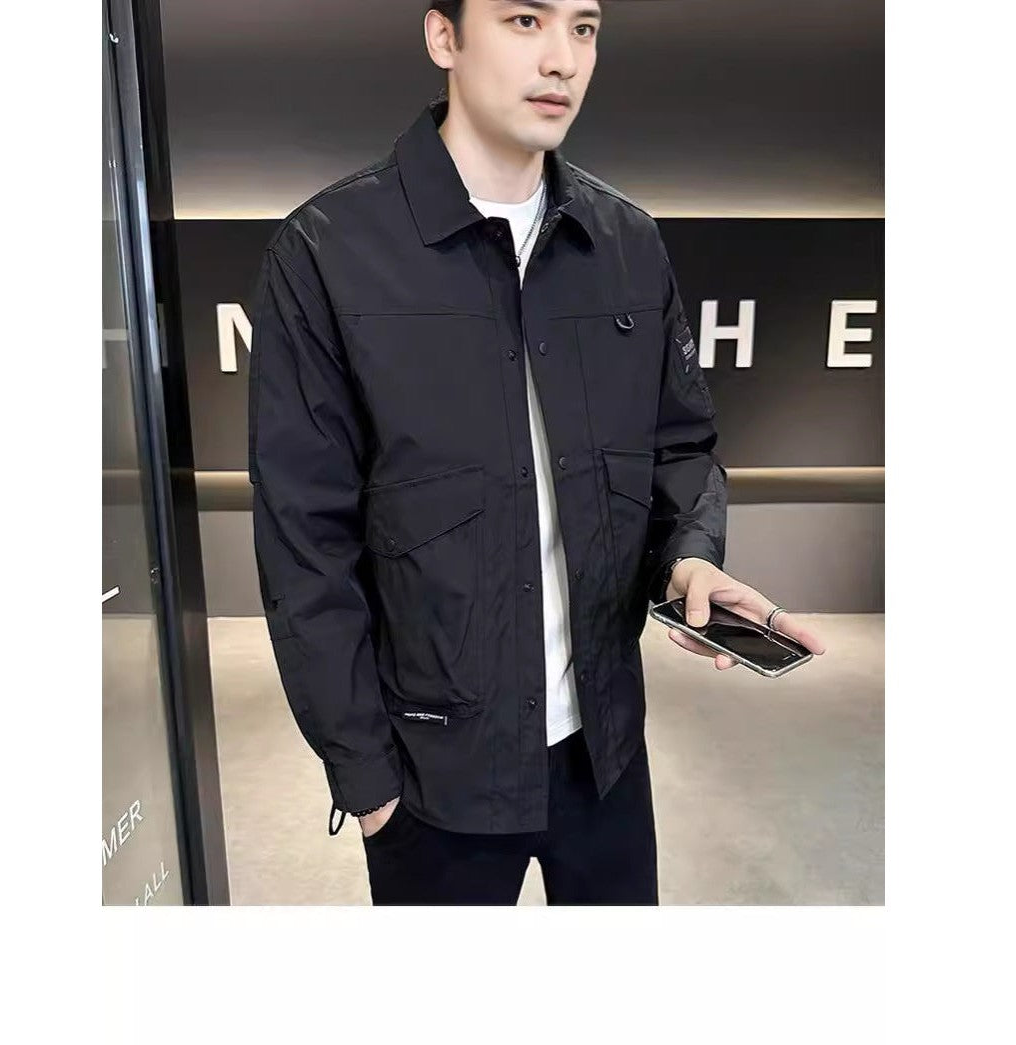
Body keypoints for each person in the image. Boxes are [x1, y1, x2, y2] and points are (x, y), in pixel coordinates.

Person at [247, 0, 826, 905]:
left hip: (605, 756)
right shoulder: (327, 251)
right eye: (525, 20)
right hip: (432, 777)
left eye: (583, 28)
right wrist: (366, 782)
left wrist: (688, 558)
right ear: (444, 37)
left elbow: (678, 446)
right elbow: (304, 542)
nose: (562, 59)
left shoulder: (626, 243)